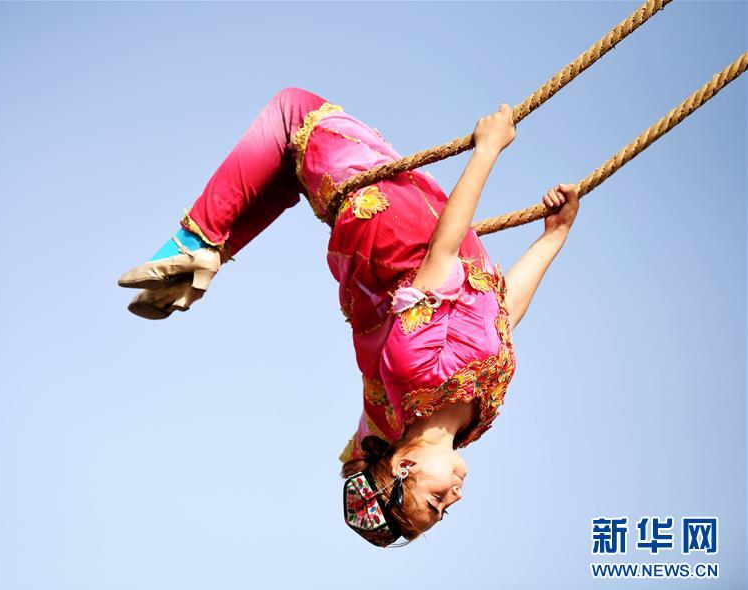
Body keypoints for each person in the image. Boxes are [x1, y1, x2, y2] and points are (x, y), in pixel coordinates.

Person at [118, 87, 580, 547]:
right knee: (291, 159)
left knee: (294, 113)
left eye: (435, 501)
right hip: (412, 219)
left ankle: (196, 242)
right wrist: (554, 237)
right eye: (445, 510)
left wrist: (487, 151)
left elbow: (441, 255)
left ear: (405, 466)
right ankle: (210, 249)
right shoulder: (472, 422)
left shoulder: (413, 374)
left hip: (393, 220)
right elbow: (502, 315)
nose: (453, 498)